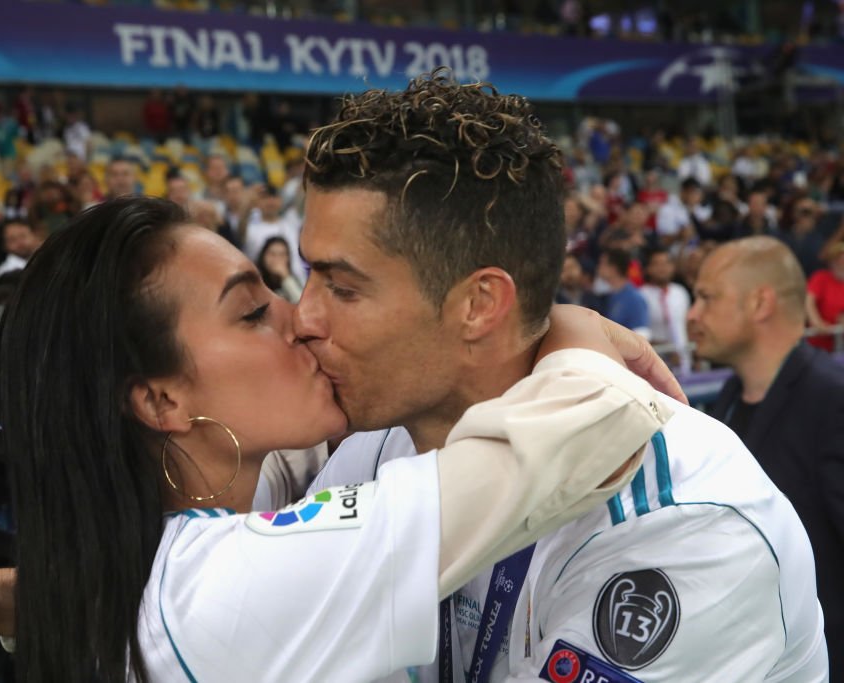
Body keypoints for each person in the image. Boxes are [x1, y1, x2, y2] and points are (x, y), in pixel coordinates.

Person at [0, 196, 668, 683]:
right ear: (162, 399)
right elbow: (575, 436)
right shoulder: (222, 583)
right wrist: (561, 325)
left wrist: (7, 593)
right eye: (252, 310)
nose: (304, 317)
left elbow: (145, 585)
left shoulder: (224, 516)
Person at [290, 74, 825, 680]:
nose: (301, 317)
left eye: (341, 287)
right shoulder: (375, 445)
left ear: (478, 305)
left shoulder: (685, 524)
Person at [693, 237, 844, 678]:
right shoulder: (728, 399)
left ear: (760, 303)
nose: (692, 313)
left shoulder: (831, 402)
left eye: (707, 297)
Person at [639, 247, 691, 373]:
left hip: (685, 362)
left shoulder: (681, 292)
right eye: (657, 264)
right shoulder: (641, 296)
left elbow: (688, 325)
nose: (662, 268)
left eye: (666, 263)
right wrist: (668, 349)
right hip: (655, 365)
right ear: (648, 269)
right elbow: (639, 335)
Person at [597, 248, 651, 338]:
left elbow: (642, 335)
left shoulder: (634, 299)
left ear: (613, 268)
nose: (598, 267)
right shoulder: (609, 297)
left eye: (602, 264)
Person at [805, 241, 844, 352]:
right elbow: (809, 302)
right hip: (818, 345)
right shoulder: (821, 278)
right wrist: (816, 322)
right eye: (839, 259)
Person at [256, 236, 303, 303]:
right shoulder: (255, 281)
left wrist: (286, 277)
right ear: (263, 256)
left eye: (282, 254)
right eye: (272, 254)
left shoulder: (292, 280)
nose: (277, 259)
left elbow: (302, 304)